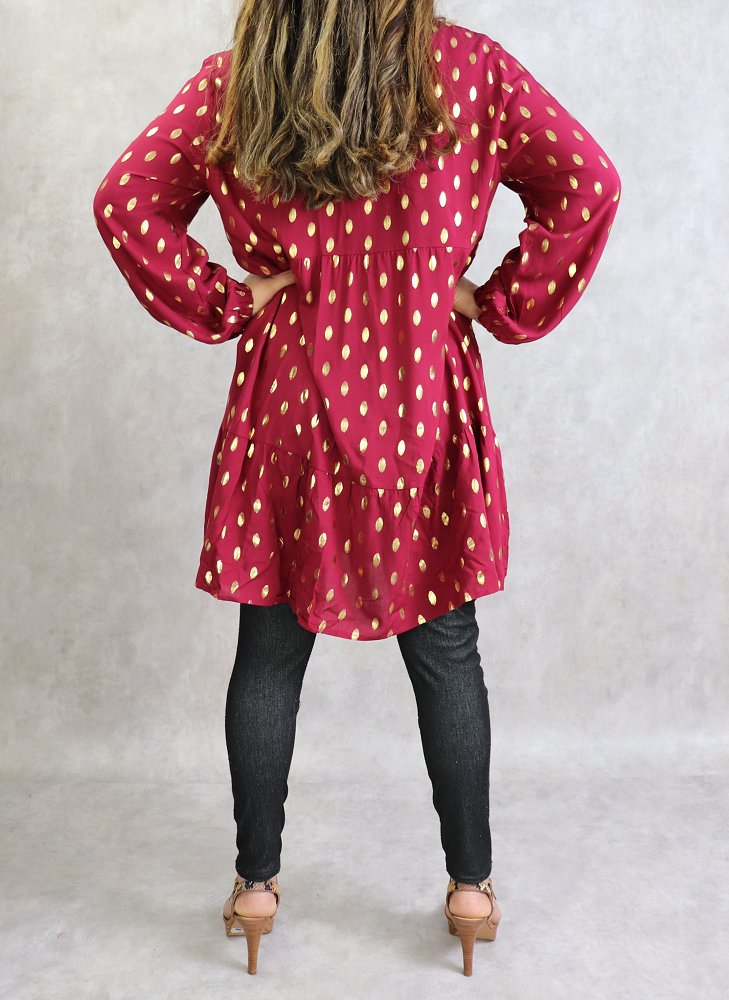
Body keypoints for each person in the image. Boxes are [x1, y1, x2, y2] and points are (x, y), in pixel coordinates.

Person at [92, 2, 621, 977]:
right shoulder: (469, 72)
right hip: (419, 397)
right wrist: (491, 300)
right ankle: (471, 890)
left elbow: (125, 201)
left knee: (268, 652)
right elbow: (589, 183)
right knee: (447, 651)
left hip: (289, 401)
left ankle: (256, 886)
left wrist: (229, 299)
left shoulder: (243, 76)